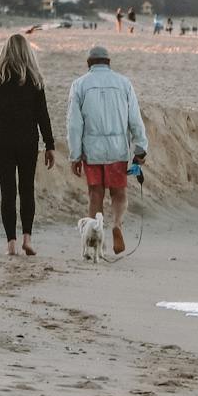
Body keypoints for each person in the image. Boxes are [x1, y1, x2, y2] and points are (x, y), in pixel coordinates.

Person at [0, 33, 55, 256]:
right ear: (27, 51)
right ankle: (27, 239)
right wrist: (50, 145)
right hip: (27, 140)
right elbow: (42, 115)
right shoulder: (35, 78)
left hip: (0, 141)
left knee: (7, 192)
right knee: (27, 190)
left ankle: (11, 243)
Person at [67, 44, 148, 257]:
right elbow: (135, 120)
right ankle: (117, 224)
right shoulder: (124, 83)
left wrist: (75, 155)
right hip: (117, 149)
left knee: (95, 194)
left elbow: (74, 125)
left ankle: (94, 239)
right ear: (109, 63)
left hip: (91, 151)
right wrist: (141, 148)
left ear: (88, 64)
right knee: (119, 193)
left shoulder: (79, 85)